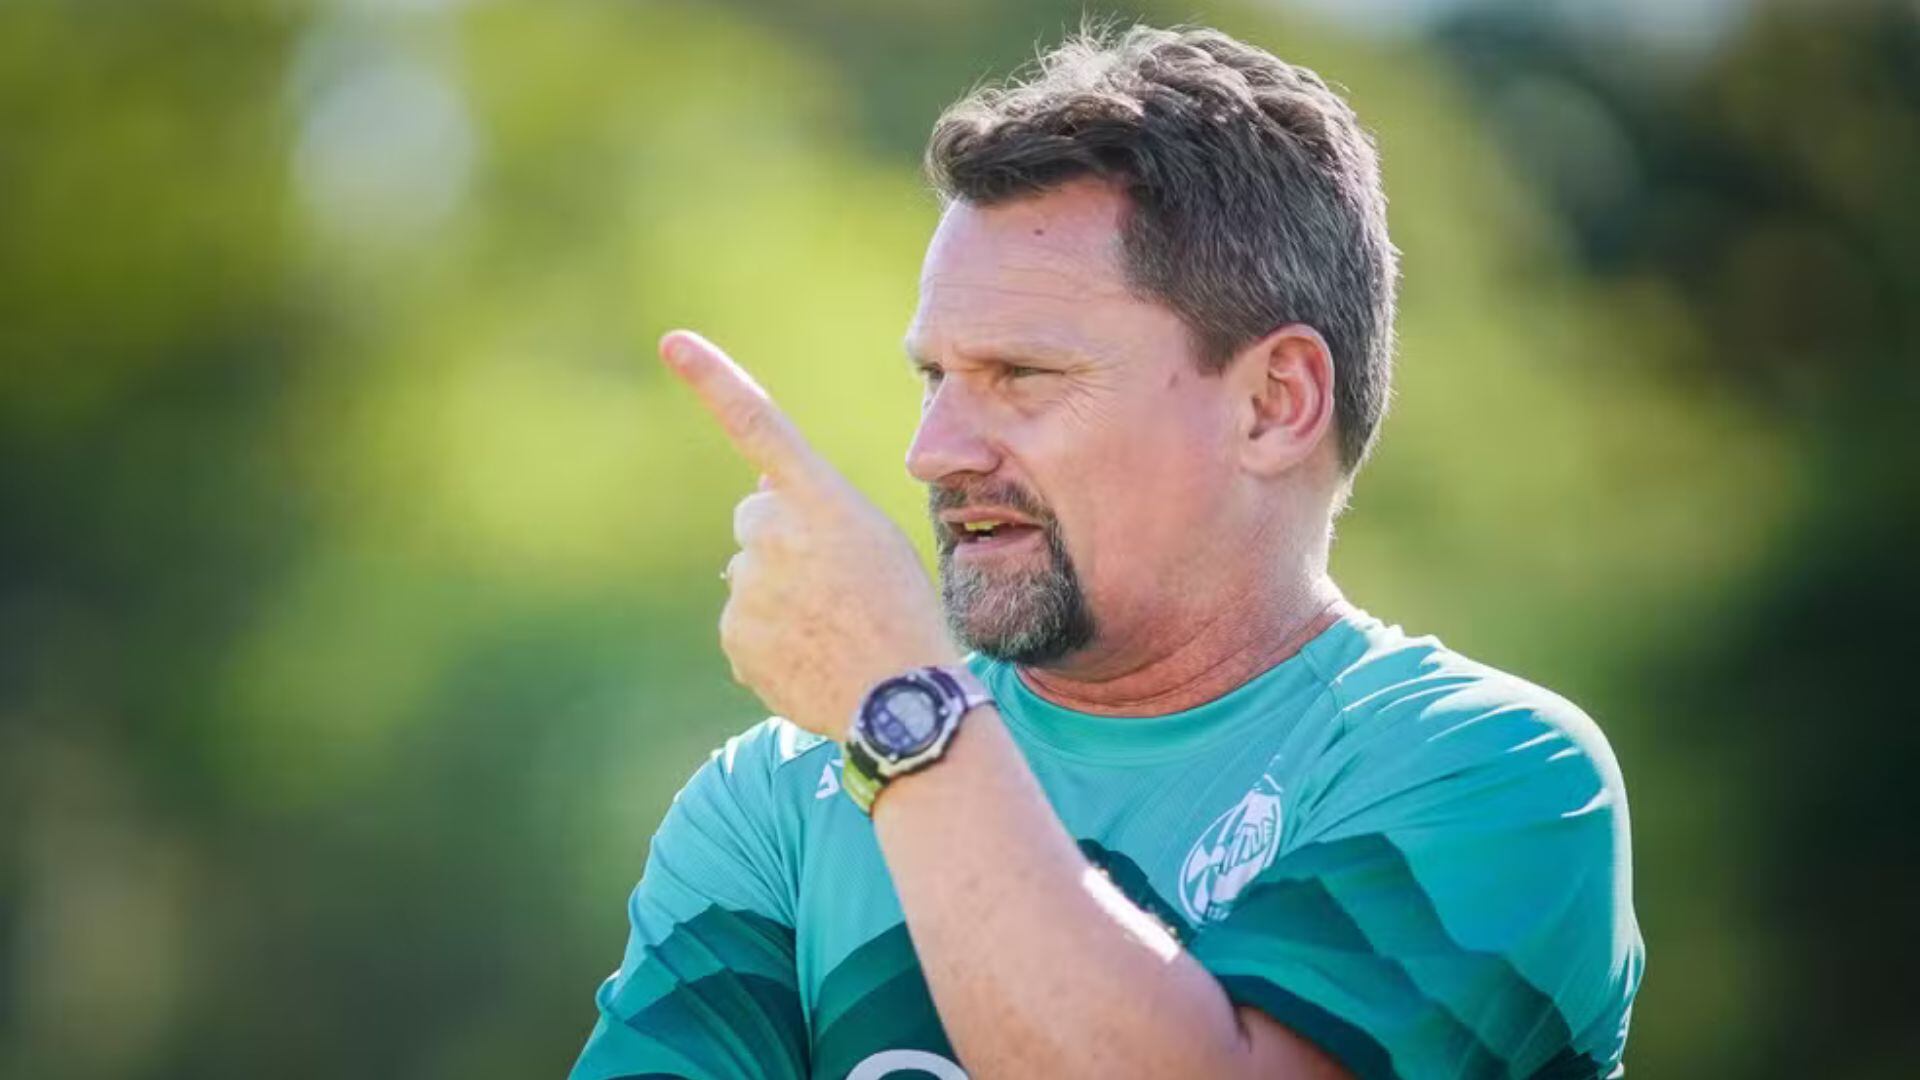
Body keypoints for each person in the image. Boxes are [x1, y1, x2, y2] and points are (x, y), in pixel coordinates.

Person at [570, 22, 1643, 1080]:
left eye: (1023, 375)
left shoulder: (1496, 775)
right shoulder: (776, 801)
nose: (932, 451)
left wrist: (904, 705)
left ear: (1275, 404)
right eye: (936, 378)